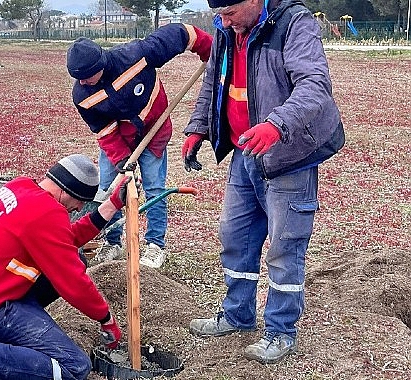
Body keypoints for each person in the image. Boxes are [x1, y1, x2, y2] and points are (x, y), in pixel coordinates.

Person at [181, 0, 345, 365]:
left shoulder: (293, 23)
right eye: (220, 15)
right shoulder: (228, 28)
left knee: (285, 247)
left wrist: (277, 125)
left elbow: (315, 86)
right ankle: (238, 313)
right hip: (245, 152)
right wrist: (199, 127)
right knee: (235, 236)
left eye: (230, 13)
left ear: (254, 0)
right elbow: (214, 81)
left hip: (289, 154)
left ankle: (281, 332)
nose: (223, 22)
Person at [0, 154, 133, 380]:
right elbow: (74, 282)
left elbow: (64, 241)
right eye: (80, 200)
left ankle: (1, 338)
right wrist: (105, 318)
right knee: (74, 367)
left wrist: (110, 206)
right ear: (65, 191)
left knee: (76, 257)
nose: (79, 207)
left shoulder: (22, 187)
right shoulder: (46, 213)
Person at [66, 23, 213, 268]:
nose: (83, 82)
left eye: (86, 76)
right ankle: (113, 243)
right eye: (78, 78)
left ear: (99, 65)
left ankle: (155, 245)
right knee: (109, 189)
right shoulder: (83, 95)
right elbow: (104, 130)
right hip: (119, 140)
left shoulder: (135, 56)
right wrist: (122, 160)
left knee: (154, 188)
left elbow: (181, 34)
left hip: (153, 132)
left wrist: (210, 51)